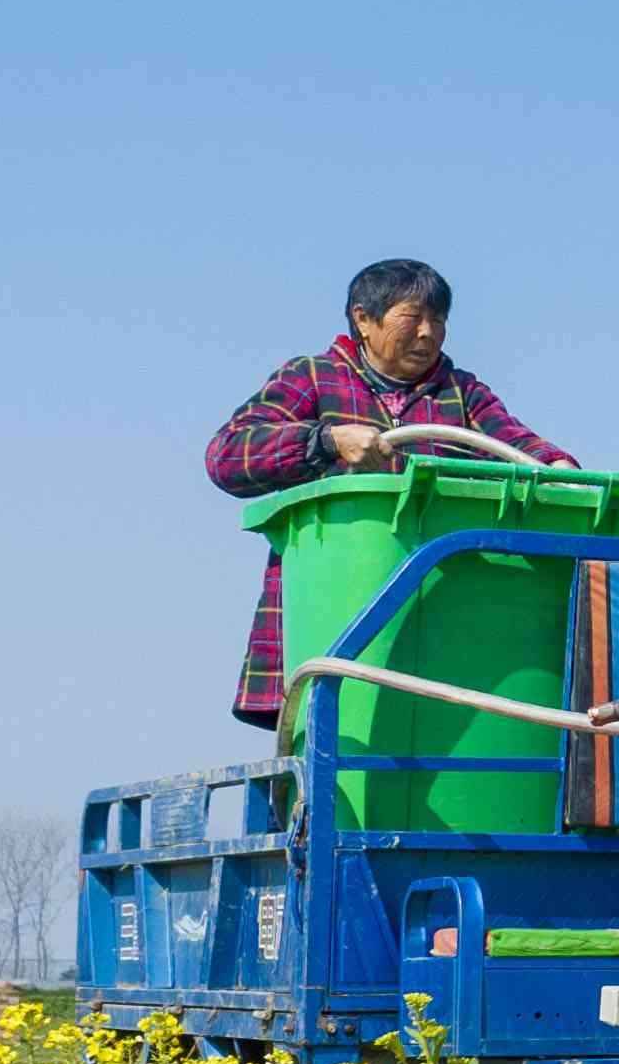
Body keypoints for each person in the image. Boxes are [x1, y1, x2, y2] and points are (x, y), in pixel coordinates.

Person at [205, 258, 576, 729]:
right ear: (363, 318)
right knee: (331, 745)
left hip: (438, 619)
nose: (427, 333)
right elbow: (227, 455)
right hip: (330, 606)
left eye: (438, 320)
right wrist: (324, 440)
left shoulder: (461, 393)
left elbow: (516, 445)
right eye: (412, 318)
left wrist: (558, 467)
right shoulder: (313, 377)